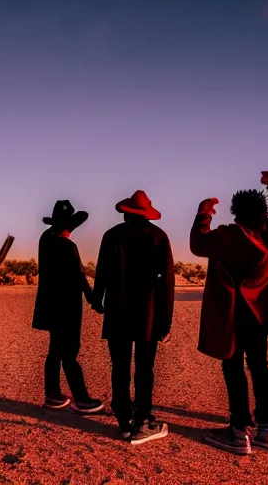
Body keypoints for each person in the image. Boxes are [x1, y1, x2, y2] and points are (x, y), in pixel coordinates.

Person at [190, 171, 268, 455]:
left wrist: (204, 214)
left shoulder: (228, 235)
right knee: (260, 367)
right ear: (264, 211)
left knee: (233, 367)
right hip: (261, 314)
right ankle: (266, 431)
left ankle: (239, 432)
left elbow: (198, 244)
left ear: (236, 212)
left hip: (232, 314)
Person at [92, 190, 175, 444]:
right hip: (148, 314)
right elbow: (167, 283)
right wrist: (165, 321)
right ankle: (142, 421)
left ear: (126, 212)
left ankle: (123, 421)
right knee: (144, 368)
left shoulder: (111, 235)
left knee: (119, 366)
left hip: (118, 311)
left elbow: (101, 272)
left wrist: (98, 300)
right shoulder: (159, 237)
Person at [32, 200, 105, 414]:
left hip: (50, 306)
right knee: (70, 352)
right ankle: (82, 399)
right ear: (68, 227)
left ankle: (52, 394)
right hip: (67, 308)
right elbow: (80, 278)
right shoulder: (68, 246)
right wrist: (94, 300)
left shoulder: (45, 240)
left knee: (55, 350)